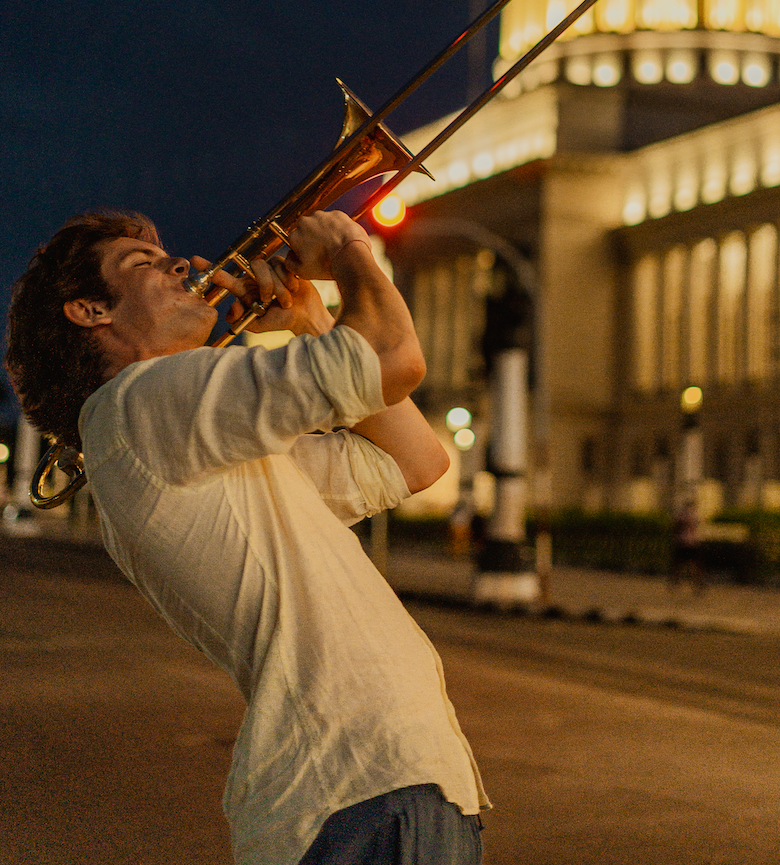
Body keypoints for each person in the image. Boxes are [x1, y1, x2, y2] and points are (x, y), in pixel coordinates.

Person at [6, 208, 489, 865]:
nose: (181, 265)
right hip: (361, 797)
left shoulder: (176, 437)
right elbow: (392, 357)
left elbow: (413, 461)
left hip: (376, 794)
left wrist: (313, 320)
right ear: (90, 311)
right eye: (142, 265)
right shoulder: (136, 406)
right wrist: (349, 248)